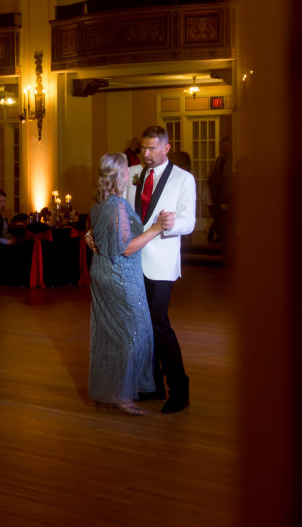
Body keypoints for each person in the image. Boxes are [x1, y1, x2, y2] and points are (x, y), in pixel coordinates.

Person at [89, 153, 172, 416]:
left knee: (110, 334)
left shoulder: (100, 203)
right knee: (135, 336)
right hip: (119, 275)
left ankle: (107, 391)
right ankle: (123, 396)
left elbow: (94, 233)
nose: (130, 172)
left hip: (101, 270)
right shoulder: (117, 206)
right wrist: (157, 228)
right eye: (126, 168)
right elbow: (125, 249)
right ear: (121, 175)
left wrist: (88, 238)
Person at [126, 125, 197, 413]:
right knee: (139, 327)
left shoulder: (183, 179)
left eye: (152, 148)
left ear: (166, 148)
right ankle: (151, 385)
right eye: (143, 148)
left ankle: (179, 389)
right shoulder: (131, 174)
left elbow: (189, 222)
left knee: (158, 324)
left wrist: (171, 225)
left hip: (161, 264)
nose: (146, 153)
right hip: (131, 261)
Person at [207, 137, 232, 244]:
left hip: (227, 190)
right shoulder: (219, 159)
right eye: (221, 146)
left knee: (222, 214)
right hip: (217, 190)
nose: (222, 148)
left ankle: (214, 233)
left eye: (225, 146)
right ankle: (217, 234)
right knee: (217, 213)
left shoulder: (232, 159)